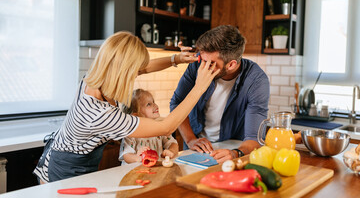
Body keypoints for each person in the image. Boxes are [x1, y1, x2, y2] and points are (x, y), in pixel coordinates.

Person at [33, 31, 219, 183]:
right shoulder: (100, 114)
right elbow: (166, 127)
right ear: (123, 71)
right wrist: (200, 86)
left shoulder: (95, 78)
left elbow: (143, 68)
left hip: (70, 157)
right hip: (64, 170)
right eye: (133, 70)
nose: (137, 73)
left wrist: (176, 58)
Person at [170, 25, 270, 163]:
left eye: (210, 63)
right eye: (202, 60)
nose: (203, 67)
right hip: (195, 148)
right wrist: (191, 139)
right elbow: (177, 102)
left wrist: (236, 154)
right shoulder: (198, 63)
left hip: (232, 150)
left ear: (231, 65)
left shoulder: (257, 80)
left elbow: (254, 138)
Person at [119, 89, 178, 165]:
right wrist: (138, 157)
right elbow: (126, 155)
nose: (155, 105)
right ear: (136, 116)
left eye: (153, 102)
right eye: (149, 104)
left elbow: (173, 143)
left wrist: (171, 151)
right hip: (133, 172)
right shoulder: (131, 133)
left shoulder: (159, 128)